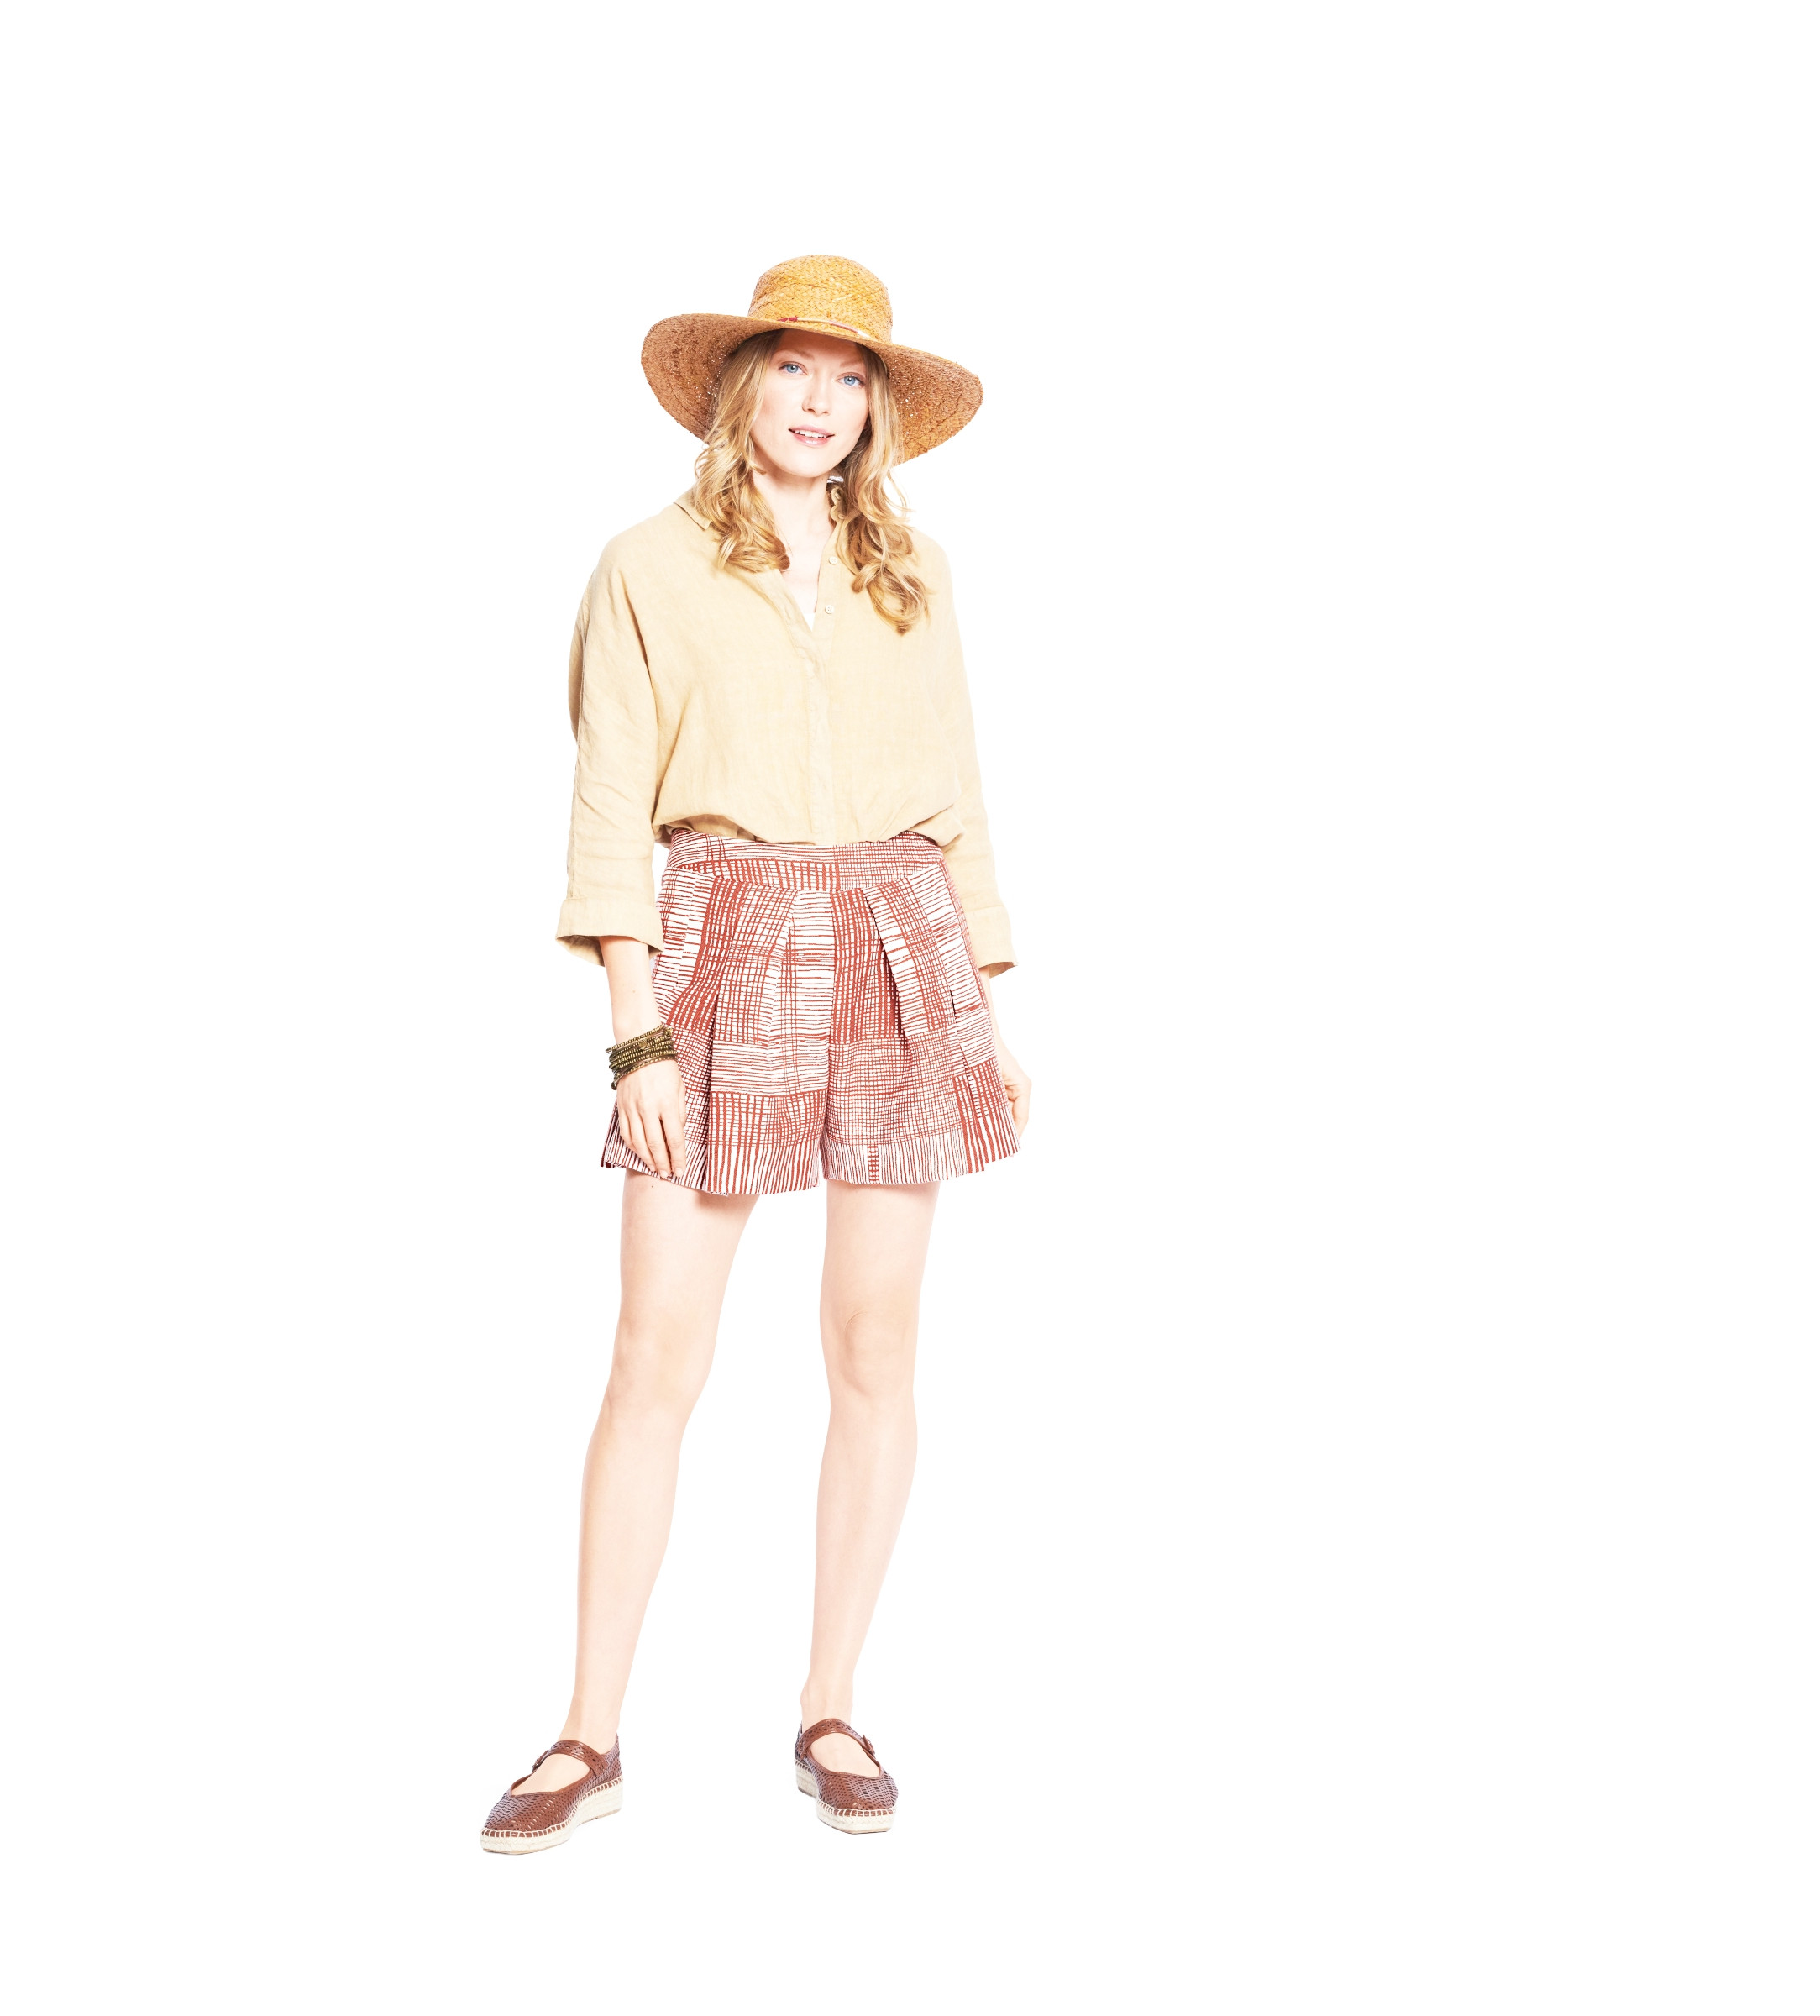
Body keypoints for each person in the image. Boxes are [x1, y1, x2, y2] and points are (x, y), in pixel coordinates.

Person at [483, 256, 1032, 1853]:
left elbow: (958, 790)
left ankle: (832, 1704)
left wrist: (992, 1011)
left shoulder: (913, 571)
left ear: (877, 409)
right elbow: (609, 803)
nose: (819, 401)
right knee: (656, 1352)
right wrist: (637, 1040)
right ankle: (587, 1731)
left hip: (901, 937)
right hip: (721, 934)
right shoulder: (646, 566)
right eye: (792, 368)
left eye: (851, 378)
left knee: (874, 1343)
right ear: (740, 388)